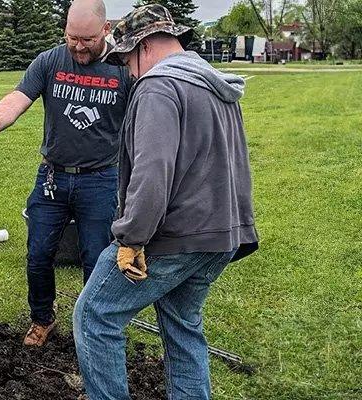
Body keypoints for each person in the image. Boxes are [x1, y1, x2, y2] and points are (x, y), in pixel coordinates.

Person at [73, 5, 259, 399]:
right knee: (182, 325)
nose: (129, 72)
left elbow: (152, 171)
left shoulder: (158, 86)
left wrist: (132, 238)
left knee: (95, 316)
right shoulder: (213, 82)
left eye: (127, 60)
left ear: (144, 46)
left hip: (174, 235)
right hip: (222, 234)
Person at [0, 0, 131, 346]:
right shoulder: (50, 61)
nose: (78, 46)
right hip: (52, 177)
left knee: (97, 257)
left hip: (100, 179)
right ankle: (42, 318)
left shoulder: (123, 68)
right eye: (72, 37)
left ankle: (94, 324)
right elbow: (19, 97)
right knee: (39, 253)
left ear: (105, 30)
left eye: (87, 39)